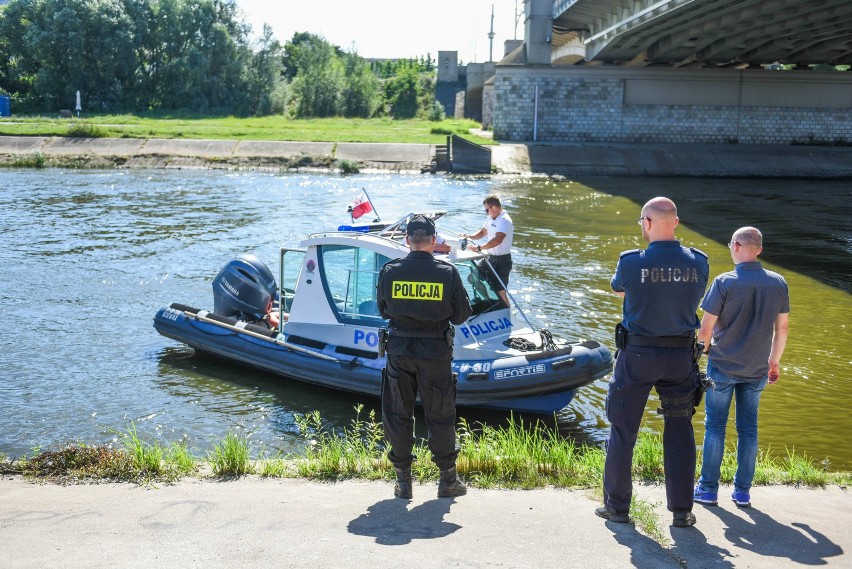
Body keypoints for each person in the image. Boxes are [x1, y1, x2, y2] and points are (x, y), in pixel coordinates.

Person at [597, 197, 709, 528]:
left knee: (623, 429)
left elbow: (620, 290)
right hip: (680, 358)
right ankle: (681, 512)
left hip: (638, 357)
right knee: (679, 428)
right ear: (675, 222)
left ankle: (617, 509)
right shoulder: (699, 262)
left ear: (647, 223)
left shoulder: (631, 262)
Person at [376, 215, 473, 499]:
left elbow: (383, 311)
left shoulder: (389, 270)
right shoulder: (447, 272)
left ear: (407, 240)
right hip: (435, 354)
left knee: (398, 414)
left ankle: (404, 482)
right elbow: (461, 316)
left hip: (400, 352)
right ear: (433, 241)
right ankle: (448, 480)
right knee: (440, 416)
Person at [694, 227, 790, 509]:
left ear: (736, 246)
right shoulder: (779, 283)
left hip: (722, 366)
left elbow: (705, 330)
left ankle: (708, 490)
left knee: (715, 427)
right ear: (758, 249)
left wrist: (707, 353)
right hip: (758, 369)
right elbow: (781, 328)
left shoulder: (725, 282)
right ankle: (742, 492)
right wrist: (774, 361)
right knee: (749, 429)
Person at [463, 194, 514, 307]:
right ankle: (490, 303)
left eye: (487, 210)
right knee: (473, 278)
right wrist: (469, 237)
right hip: (490, 258)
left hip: (502, 261)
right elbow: (482, 233)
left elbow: (498, 240)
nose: (486, 212)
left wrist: (479, 248)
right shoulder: (491, 218)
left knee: (500, 292)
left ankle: (508, 313)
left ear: (494, 207)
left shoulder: (504, 220)